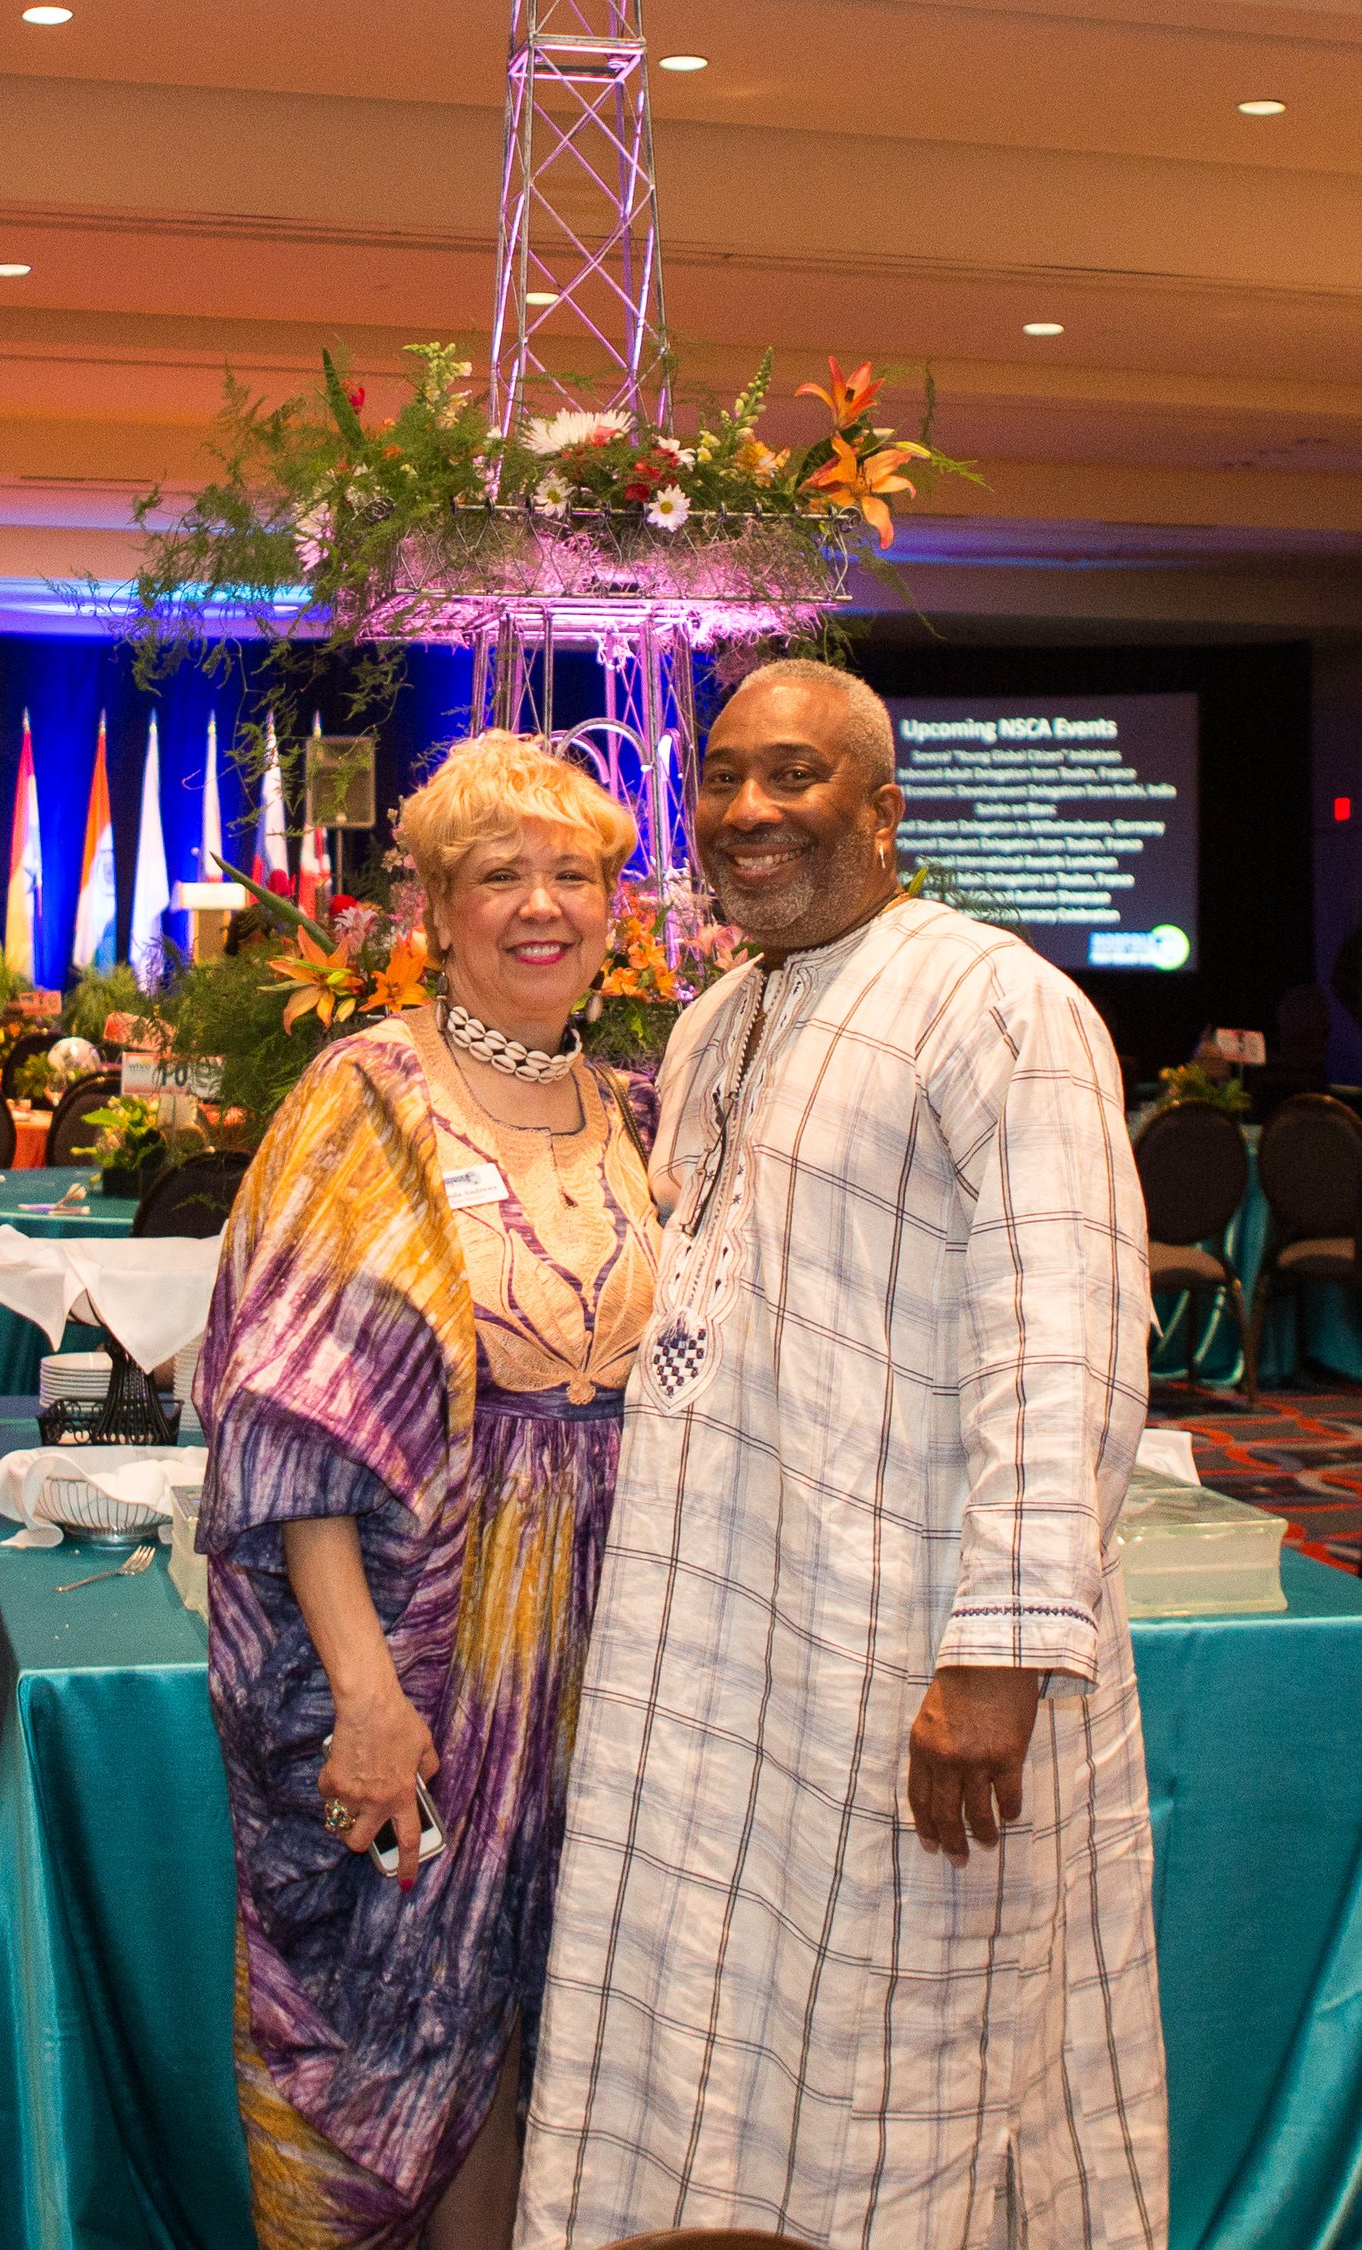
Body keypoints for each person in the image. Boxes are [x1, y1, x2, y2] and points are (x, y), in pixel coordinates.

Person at [514, 659, 1168, 2250]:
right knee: (722, 2029)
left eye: (794, 774)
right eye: (725, 774)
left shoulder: (994, 1004)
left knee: (916, 2041)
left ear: (883, 808)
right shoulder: (717, 1020)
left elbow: (1067, 1341)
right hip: (726, 1655)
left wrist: (997, 1657)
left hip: (909, 1656)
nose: (749, 808)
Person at [194, 732, 662, 2250]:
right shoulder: (369, 1098)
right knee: (421, 2021)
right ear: (436, 911)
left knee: (577, 2011)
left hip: (626, 1639)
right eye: (498, 874)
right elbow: (295, 1438)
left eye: (572, 874)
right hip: (434, 1644)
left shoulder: (642, 1109)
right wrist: (367, 1697)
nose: (541, 904)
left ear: (613, 908)